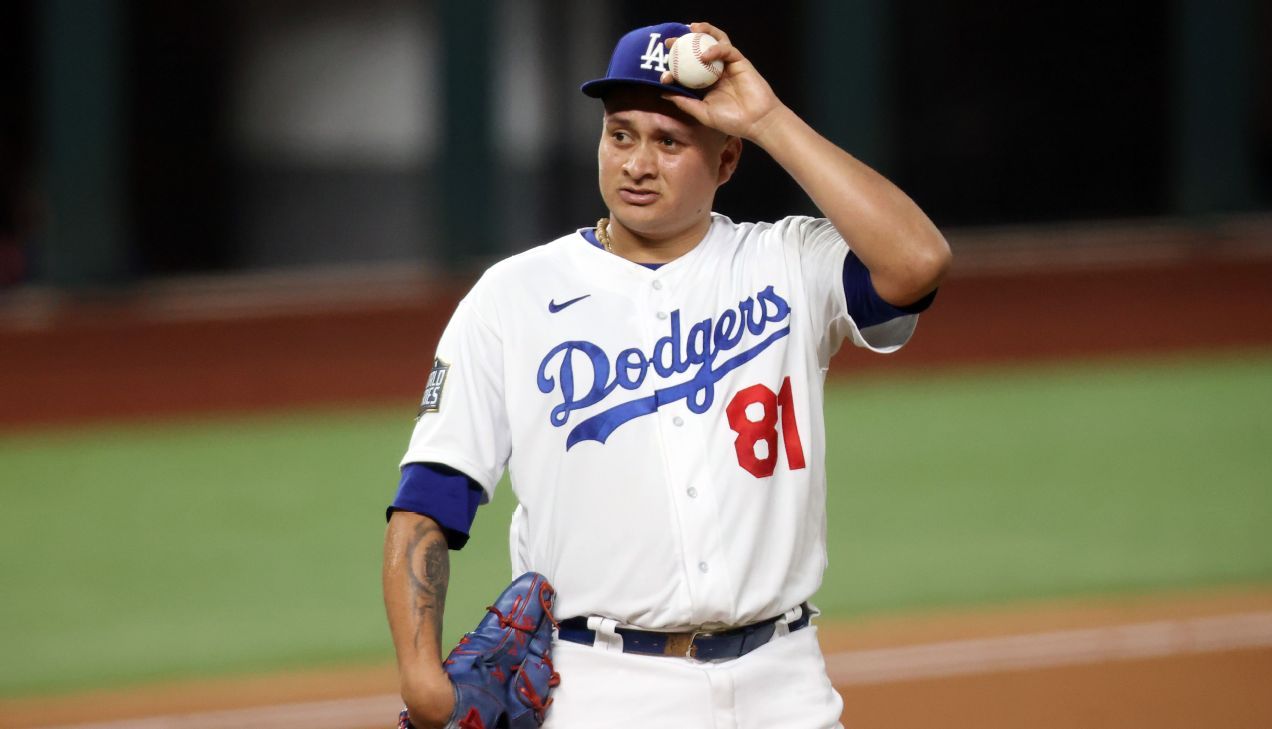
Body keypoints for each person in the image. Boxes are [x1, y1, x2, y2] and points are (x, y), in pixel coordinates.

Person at [382, 20, 951, 728]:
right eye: (620, 135)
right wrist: (421, 677)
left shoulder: (787, 262)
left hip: (785, 681)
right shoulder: (513, 296)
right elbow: (428, 502)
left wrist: (770, 118)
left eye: (669, 141)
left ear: (727, 160)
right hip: (602, 686)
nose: (637, 163)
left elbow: (917, 262)